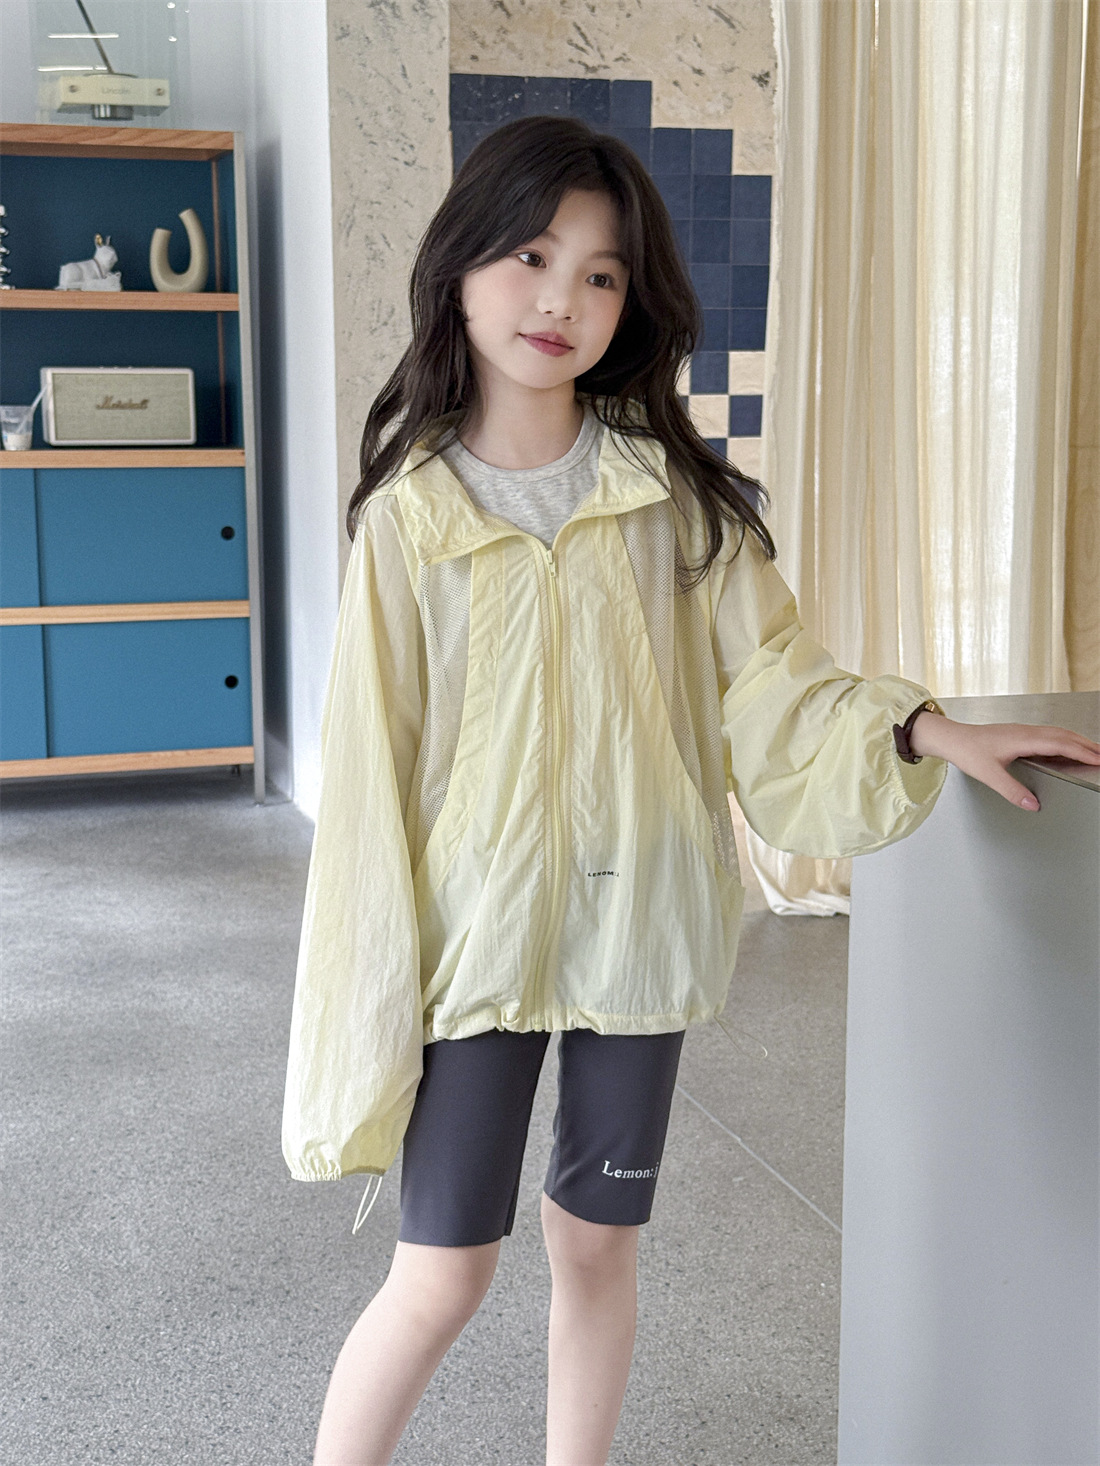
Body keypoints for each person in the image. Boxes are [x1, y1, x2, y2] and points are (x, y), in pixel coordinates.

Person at [281, 114, 1100, 1466]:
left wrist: (919, 727)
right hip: (472, 947)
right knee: (442, 1274)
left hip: (637, 930)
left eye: (600, 274)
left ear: (632, 302)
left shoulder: (670, 501)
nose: (561, 298)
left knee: (595, 1244)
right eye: (532, 255)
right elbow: (374, 775)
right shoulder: (413, 517)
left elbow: (773, 681)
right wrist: (371, 986)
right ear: (460, 264)